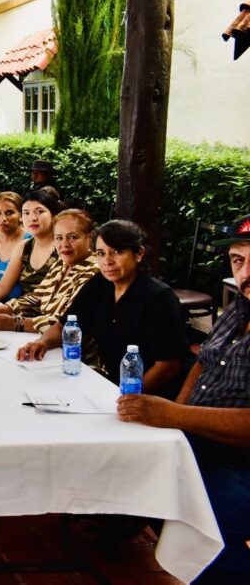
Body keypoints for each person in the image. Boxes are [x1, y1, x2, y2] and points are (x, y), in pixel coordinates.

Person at [114, 215, 250, 581]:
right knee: (132, 475)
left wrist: (175, 416)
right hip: (204, 442)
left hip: (240, 463)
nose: (246, 273)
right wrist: (180, 414)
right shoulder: (240, 307)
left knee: (202, 518)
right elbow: (202, 361)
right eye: (238, 260)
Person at [17, 220, 189, 395]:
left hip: (151, 394)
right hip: (113, 384)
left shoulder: (159, 297)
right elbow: (65, 325)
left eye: (117, 252)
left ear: (139, 254)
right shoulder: (100, 284)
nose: (107, 261)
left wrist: (125, 397)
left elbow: (168, 366)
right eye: (101, 253)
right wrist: (42, 342)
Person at [0, 209, 98, 334]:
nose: (64, 244)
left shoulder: (94, 273)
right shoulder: (61, 264)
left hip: (71, 345)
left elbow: (66, 322)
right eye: (59, 238)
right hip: (44, 338)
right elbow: (36, 298)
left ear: (90, 238)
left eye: (73, 237)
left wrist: (14, 323)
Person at [0, 189, 61, 306]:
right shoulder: (24, 246)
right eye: (26, 213)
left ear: (54, 215)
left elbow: (50, 299)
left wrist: (6, 310)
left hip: (42, 313)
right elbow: (2, 287)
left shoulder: (62, 247)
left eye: (39, 211)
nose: (32, 218)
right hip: (18, 309)